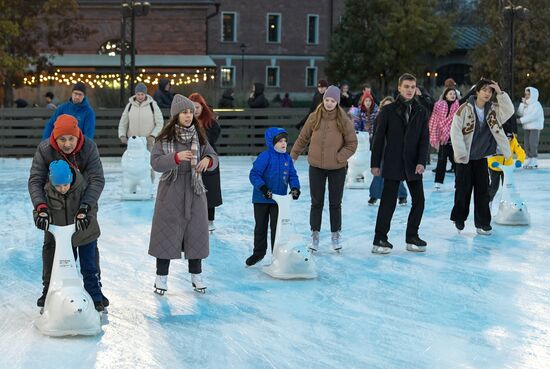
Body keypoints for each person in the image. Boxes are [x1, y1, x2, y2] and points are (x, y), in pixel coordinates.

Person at [28, 114, 107, 308]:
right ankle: (49, 290)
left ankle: (93, 290)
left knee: (88, 254)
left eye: (71, 138)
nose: (67, 143)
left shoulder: (88, 148)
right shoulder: (45, 150)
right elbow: (35, 180)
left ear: (77, 136)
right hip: (54, 212)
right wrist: (41, 208)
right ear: (54, 138)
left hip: (83, 210)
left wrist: (86, 208)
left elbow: (97, 179)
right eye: (62, 139)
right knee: (55, 256)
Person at [149, 95, 218, 295]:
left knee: (196, 234)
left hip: (194, 191)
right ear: (176, 115)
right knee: (166, 235)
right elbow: (156, 162)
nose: (188, 116)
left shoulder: (199, 135)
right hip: (171, 190)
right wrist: (176, 158)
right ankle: (161, 277)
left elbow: (213, 155)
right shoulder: (164, 138)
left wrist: (208, 160)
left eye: (190, 112)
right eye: (184, 112)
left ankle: (196, 275)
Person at [291, 85, 357, 252]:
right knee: (316, 202)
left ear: (337, 102)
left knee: (335, 203)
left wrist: (339, 157)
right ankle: (315, 234)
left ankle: (335, 235)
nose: (329, 103)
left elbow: (352, 143)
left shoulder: (343, 120)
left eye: (332, 101)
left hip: (337, 168)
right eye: (327, 100)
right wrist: (293, 155)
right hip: (316, 167)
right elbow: (303, 137)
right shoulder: (314, 117)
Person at [33, 160, 105, 312]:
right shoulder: (47, 191)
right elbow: (39, 209)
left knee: (89, 267)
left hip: (85, 233)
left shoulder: (82, 186)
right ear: (52, 182)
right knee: (59, 268)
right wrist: (41, 216)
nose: (62, 189)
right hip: (62, 238)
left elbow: (92, 205)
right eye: (58, 186)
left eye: (65, 185)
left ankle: (95, 297)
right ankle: (52, 296)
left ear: (70, 179)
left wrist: (85, 215)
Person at [370, 73, 430, 254]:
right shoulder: (388, 111)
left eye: (412, 87)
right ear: (399, 88)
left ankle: (412, 235)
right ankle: (380, 238)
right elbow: (379, 138)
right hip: (393, 161)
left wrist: (421, 161)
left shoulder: (421, 111)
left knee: (419, 200)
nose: (410, 90)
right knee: (388, 202)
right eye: (406, 87)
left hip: (413, 163)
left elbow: (423, 140)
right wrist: (375, 163)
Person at [450, 79, 513, 235]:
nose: (487, 93)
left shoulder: (493, 110)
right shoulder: (464, 109)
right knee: (462, 191)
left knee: (483, 192)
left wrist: (500, 92)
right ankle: (459, 219)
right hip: (464, 159)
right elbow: (455, 132)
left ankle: (483, 223)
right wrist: (461, 154)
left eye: (489, 91)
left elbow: (509, 111)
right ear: (477, 91)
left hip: (481, 158)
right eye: (484, 90)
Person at [247, 127, 300, 266]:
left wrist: (295, 188)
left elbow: (292, 175)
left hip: (279, 200)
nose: (284, 144)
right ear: (271, 142)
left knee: (278, 229)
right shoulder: (265, 156)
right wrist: (263, 188)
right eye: (280, 141)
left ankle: (277, 255)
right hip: (261, 199)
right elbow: (254, 174)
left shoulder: (287, 158)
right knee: (261, 226)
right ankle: (258, 253)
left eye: (285, 141)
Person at [189, 92, 223, 232]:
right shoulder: (186, 120)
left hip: (208, 159)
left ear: (202, 107)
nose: (195, 110)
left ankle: (209, 220)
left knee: (210, 190)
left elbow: (212, 139)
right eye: (193, 107)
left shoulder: (211, 122)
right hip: (191, 160)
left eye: (197, 107)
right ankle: (192, 218)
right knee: (192, 190)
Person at [366, 96, 409, 206]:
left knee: (395, 175)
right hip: (382, 151)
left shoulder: (399, 118)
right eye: (385, 106)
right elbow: (376, 136)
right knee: (378, 174)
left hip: (395, 152)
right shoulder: (379, 118)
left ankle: (402, 195)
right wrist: (373, 148)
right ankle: (374, 195)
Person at [429, 87, 460, 190]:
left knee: (456, 162)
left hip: (454, 139)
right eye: (450, 93)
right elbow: (435, 120)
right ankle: (438, 182)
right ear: (446, 95)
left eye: (454, 94)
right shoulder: (439, 106)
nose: (452, 95)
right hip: (443, 139)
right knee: (441, 161)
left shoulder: (458, 106)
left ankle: (458, 182)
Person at [118, 82, 164, 151]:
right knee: (134, 161)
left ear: (145, 94)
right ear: (135, 94)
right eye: (138, 94)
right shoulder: (129, 105)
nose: (140, 96)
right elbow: (123, 122)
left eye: (142, 94)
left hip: (149, 143)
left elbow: (160, 123)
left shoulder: (153, 105)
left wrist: (153, 135)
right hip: (133, 142)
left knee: (148, 161)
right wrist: (122, 135)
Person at [487, 125, 525, 205]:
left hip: (507, 167)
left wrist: (520, 160)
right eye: (506, 137)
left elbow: (520, 151)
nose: (508, 140)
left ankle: (509, 203)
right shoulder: (494, 140)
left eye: (509, 137)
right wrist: (492, 162)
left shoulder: (513, 141)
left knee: (509, 186)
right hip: (495, 167)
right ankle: (488, 202)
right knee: (494, 187)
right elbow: (488, 153)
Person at [517, 86, 544, 169]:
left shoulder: (536, 104)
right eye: (526, 94)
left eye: (528, 94)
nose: (526, 96)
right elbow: (519, 113)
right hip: (527, 127)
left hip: (534, 127)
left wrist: (521, 120)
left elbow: (533, 116)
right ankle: (529, 158)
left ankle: (534, 159)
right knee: (527, 144)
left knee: (533, 144)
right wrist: (522, 104)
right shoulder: (526, 104)